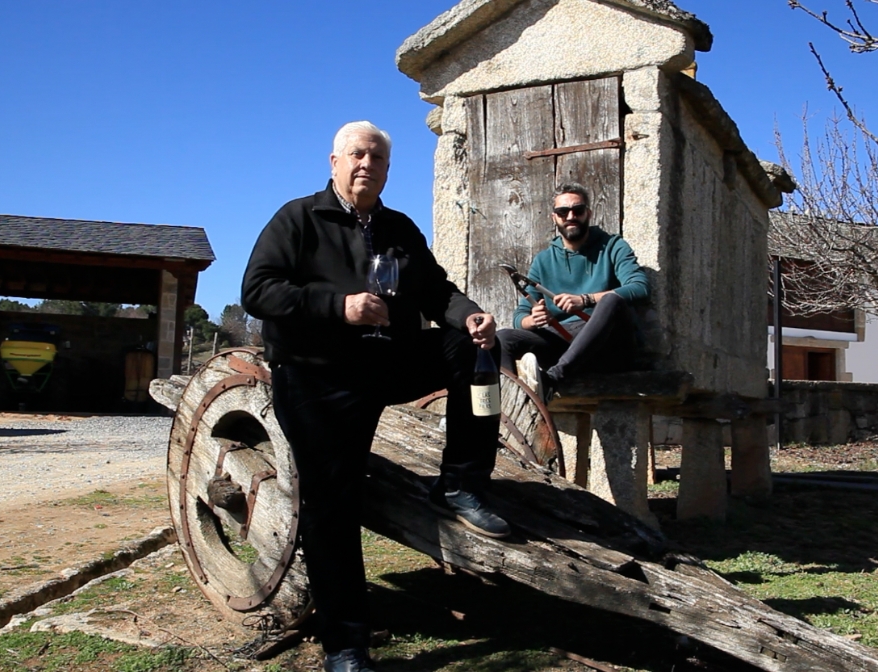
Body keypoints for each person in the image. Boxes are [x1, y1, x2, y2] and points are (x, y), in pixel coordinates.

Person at [241, 121, 509, 672]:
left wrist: (469, 315)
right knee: (331, 502)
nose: (367, 164)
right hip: (318, 377)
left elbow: (436, 290)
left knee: (468, 350)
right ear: (334, 161)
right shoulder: (298, 219)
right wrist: (340, 306)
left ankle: (459, 483)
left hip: (385, 361)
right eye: (357, 155)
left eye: (378, 158)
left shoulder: (399, 228)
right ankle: (345, 643)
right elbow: (258, 290)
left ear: (388, 170)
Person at [497, 183, 650, 395]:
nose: (570, 216)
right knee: (503, 338)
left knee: (611, 300)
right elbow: (520, 316)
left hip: (609, 348)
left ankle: (553, 379)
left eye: (577, 210)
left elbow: (640, 288)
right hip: (564, 343)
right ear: (554, 217)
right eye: (562, 212)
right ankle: (511, 402)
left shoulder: (614, 246)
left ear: (588, 213)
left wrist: (585, 300)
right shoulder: (543, 260)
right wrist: (533, 320)